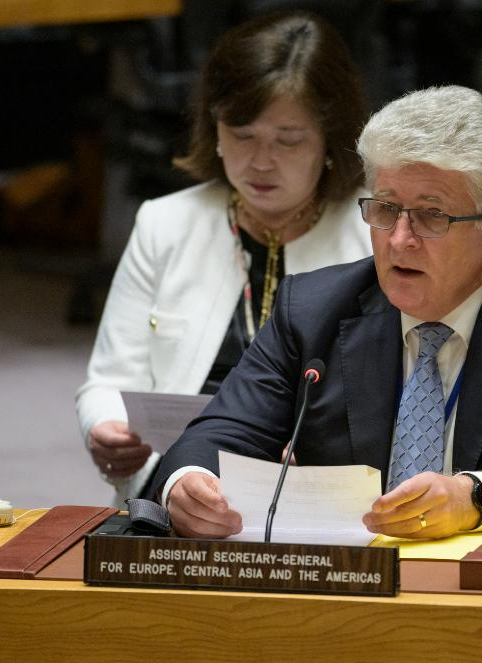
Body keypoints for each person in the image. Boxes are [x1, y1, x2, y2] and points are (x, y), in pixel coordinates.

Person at [150, 85, 482, 539]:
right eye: (385, 209)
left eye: (432, 215)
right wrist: (188, 483)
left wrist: (474, 497)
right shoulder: (313, 309)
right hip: (345, 578)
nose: (400, 240)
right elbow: (217, 434)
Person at [76, 12, 372, 503]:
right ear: (214, 128)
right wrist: (104, 427)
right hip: (180, 481)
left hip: (326, 491)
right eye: (242, 134)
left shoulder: (377, 230)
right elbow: (108, 381)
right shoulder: (166, 222)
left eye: (288, 140)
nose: (260, 161)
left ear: (330, 139)